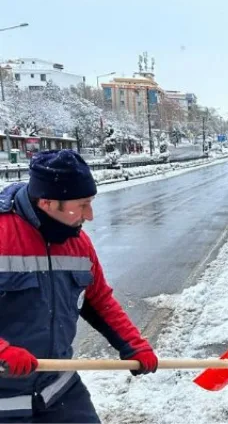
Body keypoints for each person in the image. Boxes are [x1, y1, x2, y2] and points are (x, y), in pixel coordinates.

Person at [0, 150, 158, 423]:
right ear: (48, 203)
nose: (91, 215)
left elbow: (99, 301)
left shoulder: (78, 243)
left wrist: (134, 345)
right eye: (82, 204)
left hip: (57, 389)